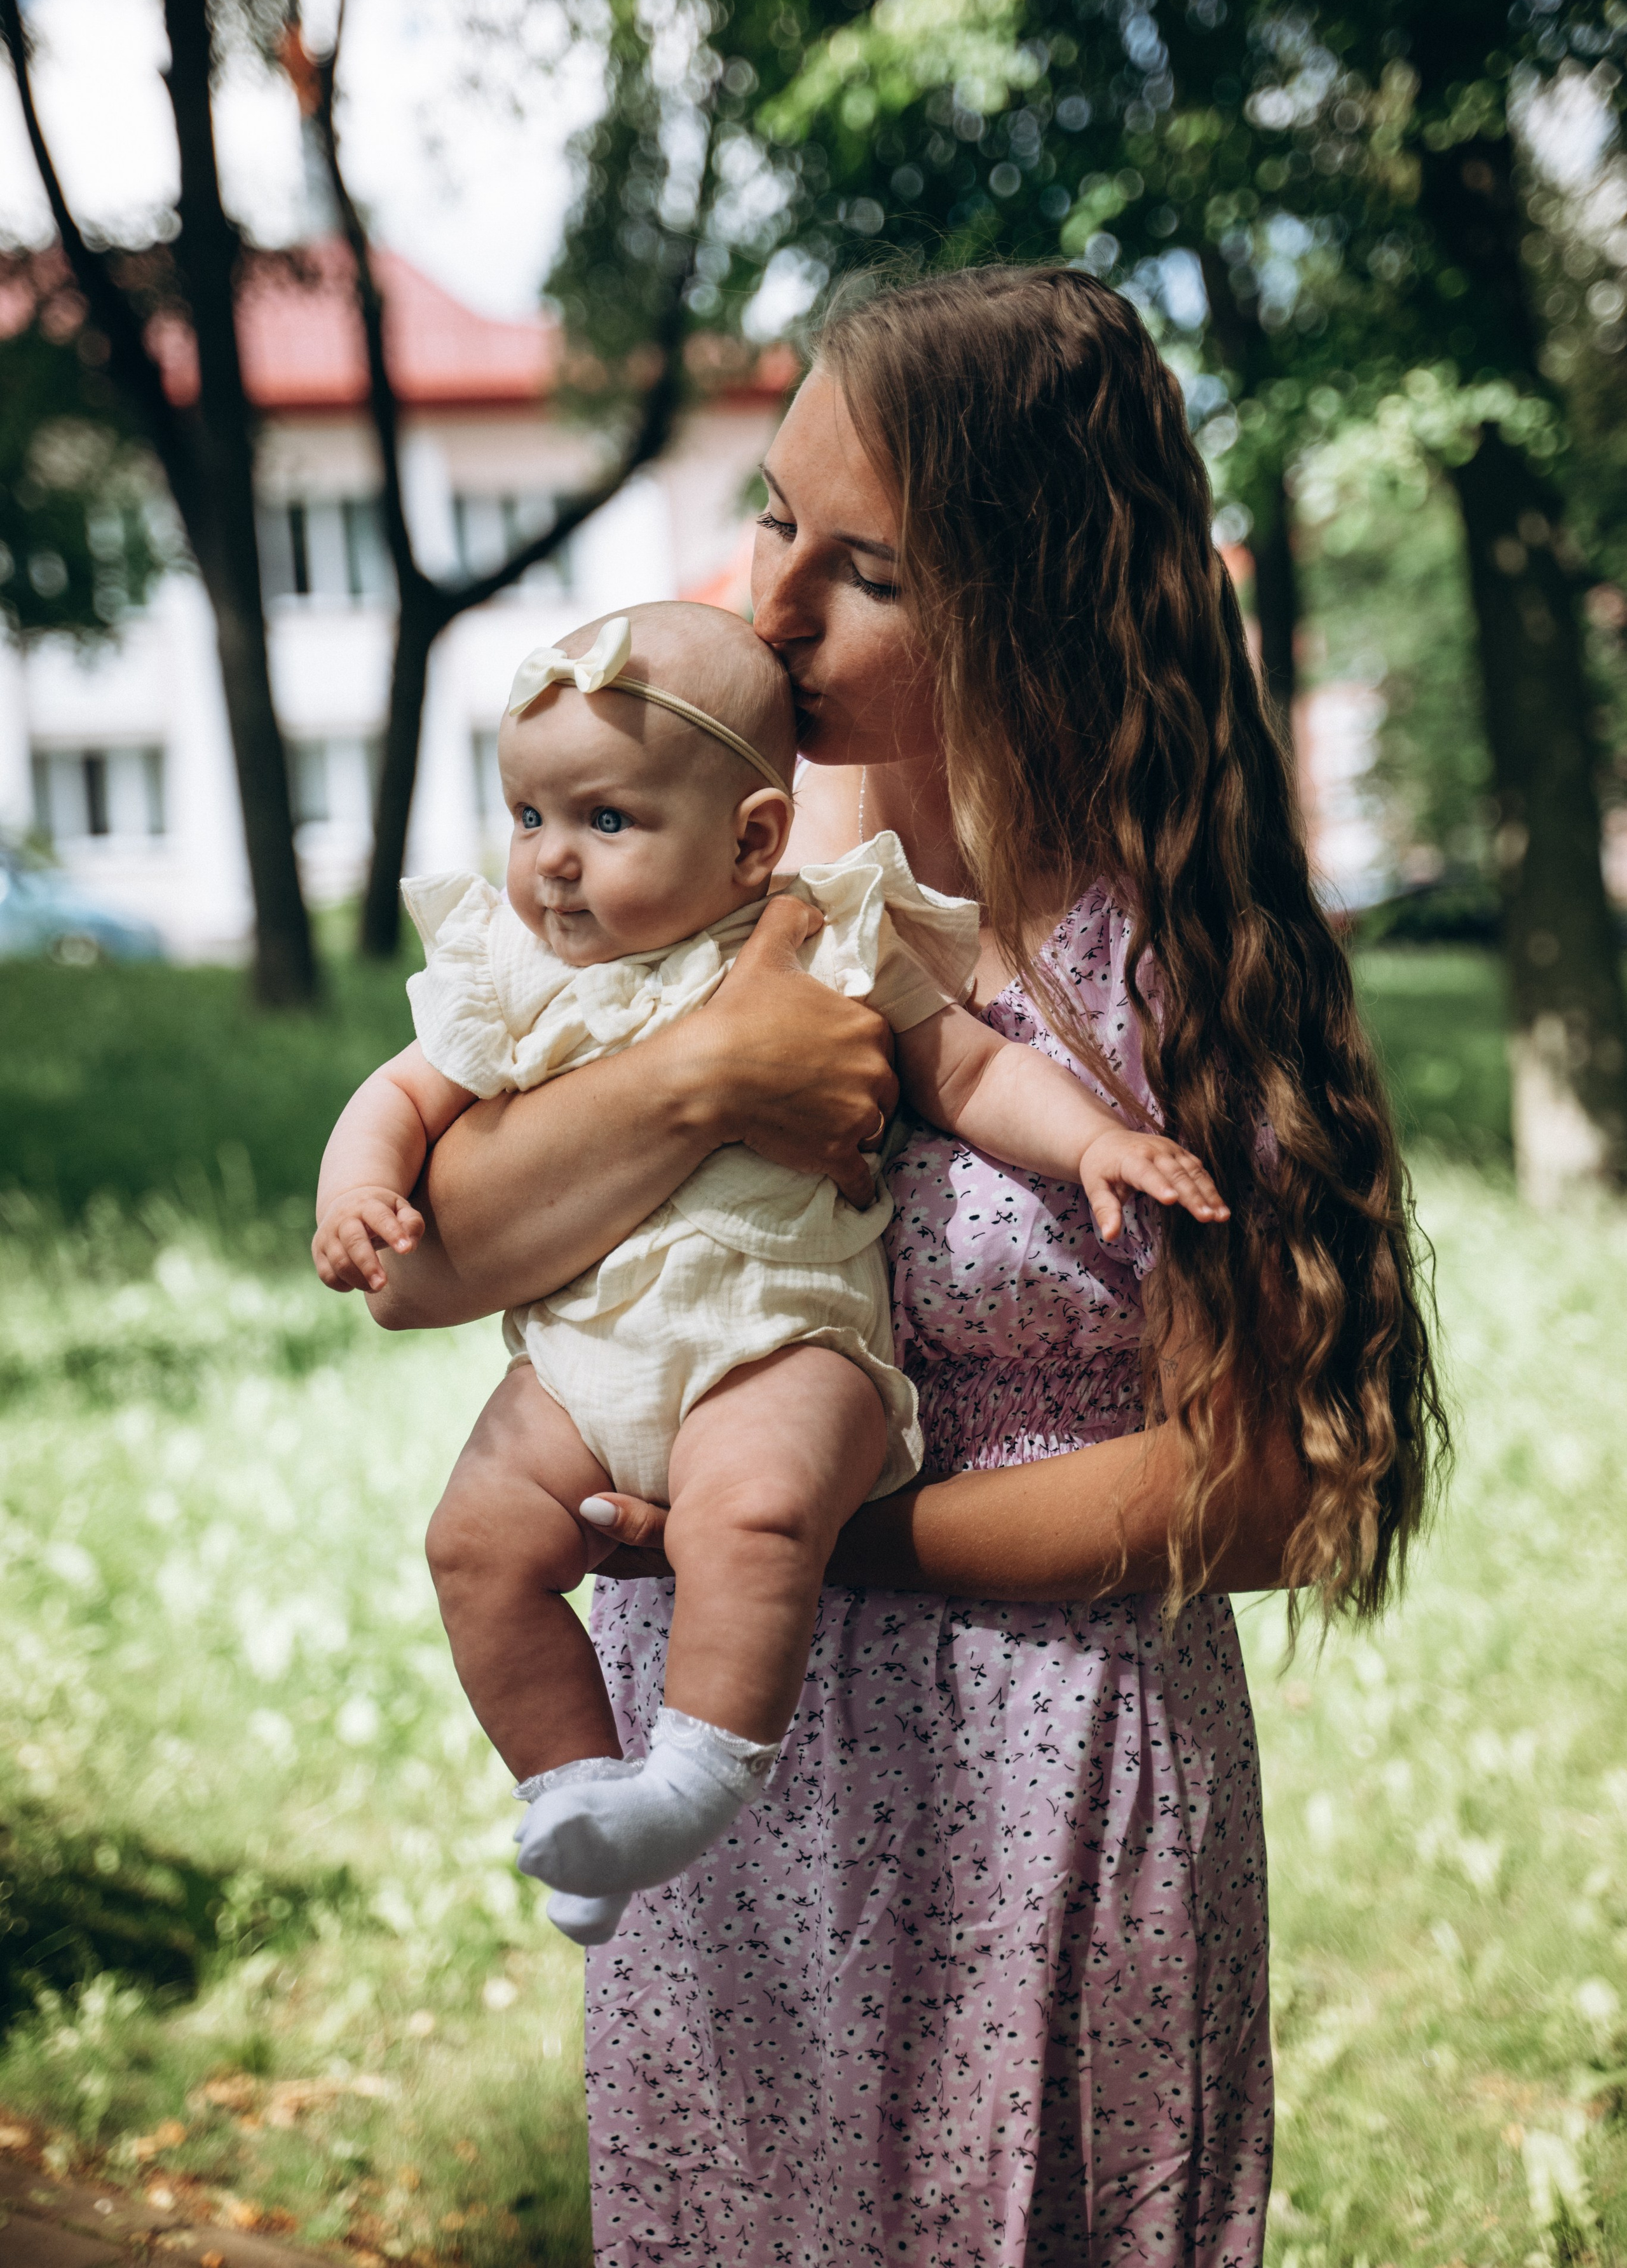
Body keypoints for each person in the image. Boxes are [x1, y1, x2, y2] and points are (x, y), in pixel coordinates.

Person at [367, 266, 1447, 2265]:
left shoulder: (1185, 955)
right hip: (747, 1822)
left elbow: (1279, 1486)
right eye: (773, 515)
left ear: (1031, 597)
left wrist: (814, 1547)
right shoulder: (724, 872)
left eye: (860, 567)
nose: (768, 605)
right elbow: (421, 1269)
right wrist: (707, 1069)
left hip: (1046, 1790)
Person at [313, 599, 1229, 1950]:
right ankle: (576, 1792)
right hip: (581, 1360)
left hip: (777, 1343)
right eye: (527, 817)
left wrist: (1096, 1139)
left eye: (605, 822)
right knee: (473, 1543)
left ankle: (692, 1778)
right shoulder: (508, 968)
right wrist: (357, 1190)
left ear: (749, 836)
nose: (552, 864)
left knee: (742, 1517)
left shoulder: (830, 927)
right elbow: (398, 1095)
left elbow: (969, 1069)